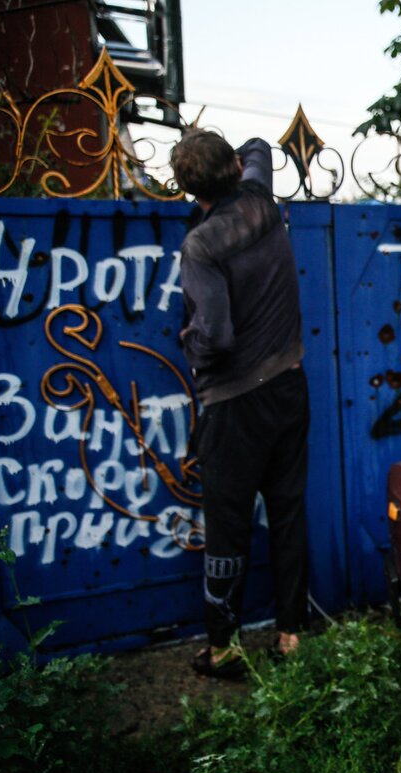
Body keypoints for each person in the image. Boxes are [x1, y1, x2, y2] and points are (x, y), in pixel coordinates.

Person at [170, 129, 309, 679]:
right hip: (289, 386)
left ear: (186, 188)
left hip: (234, 402)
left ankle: (224, 647)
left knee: (227, 524)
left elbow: (216, 335)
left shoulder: (200, 245)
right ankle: (291, 633)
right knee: (288, 510)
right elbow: (258, 143)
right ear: (233, 167)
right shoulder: (260, 199)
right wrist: (229, 157)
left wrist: (189, 343)